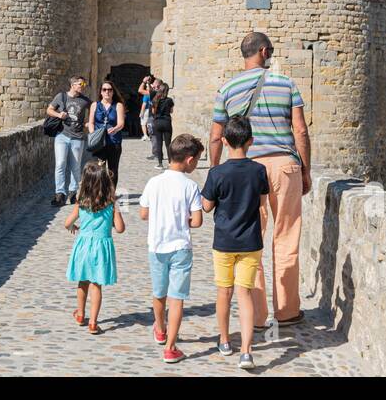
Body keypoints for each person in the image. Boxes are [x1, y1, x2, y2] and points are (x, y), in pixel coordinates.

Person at [209, 31, 312, 331]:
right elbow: (301, 131)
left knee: (249, 240)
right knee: (286, 238)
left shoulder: (226, 89)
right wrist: (305, 170)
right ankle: (287, 311)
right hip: (284, 165)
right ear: (264, 52)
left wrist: (216, 172)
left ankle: (254, 314)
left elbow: (216, 136)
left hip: (246, 169)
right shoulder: (286, 83)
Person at [201, 116, 269, 371]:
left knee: (224, 292)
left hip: (224, 242)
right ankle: (246, 352)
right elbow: (262, 204)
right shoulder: (259, 171)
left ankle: (225, 340)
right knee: (245, 294)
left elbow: (206, 207)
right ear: (251, 141)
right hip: (251, 241)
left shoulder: (217, 173)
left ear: (225, 141)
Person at [139, 134, 204, 363]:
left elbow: (144, 213)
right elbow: (196, 221)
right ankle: (171, 347)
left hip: (156, 245)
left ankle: (160, 328)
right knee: (177, 298)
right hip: (180, 247)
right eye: (197, 160)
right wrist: (181, 220)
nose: (196, 165)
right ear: (188, 159)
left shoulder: (153, 182)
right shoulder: (191, 186)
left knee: (159, 293)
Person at [64, 160, 126, 336]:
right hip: (101, 248)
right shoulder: (110, 204)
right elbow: (120, 229)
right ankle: (93, 322)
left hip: (83, 245)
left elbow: (67, 223)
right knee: (96, 284)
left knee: (82, 281)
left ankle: (80, 314)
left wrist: (73, 228)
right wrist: (116, 208)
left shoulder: (81, 203)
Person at [47, 76, 91, 207]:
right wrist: (59, 115)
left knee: (75, 166)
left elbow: (95, 109)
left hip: (77, 137)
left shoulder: (85, 100)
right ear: (72, 85)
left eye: (83, 84)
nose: (82, 86)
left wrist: (90, 122)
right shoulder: (61, 96)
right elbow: (49, 110)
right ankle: (59, 194)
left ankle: (73, 193)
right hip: (62, 135)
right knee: (60, 164)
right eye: (80, 84)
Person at [87, 79, 126, 186]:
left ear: (113, 92)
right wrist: (93, 134)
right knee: (98, 170)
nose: (107, 92)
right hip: (99, 144)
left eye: (109, 90)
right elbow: (91, 122)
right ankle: (100, 195)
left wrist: (115, 129)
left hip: (114, 142)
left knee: (113, 170)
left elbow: (121, 123)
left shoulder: (118, 105)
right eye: (104, 89)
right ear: (101, 92)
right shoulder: (95, 105)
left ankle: (111, 196)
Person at [147, 80, 174, 170]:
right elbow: (171, 111)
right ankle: (170, 163)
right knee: (168, 144)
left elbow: (153, 112)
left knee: (159, 143)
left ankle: (160, 163)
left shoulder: (155, 100)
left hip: (157, 122)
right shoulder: (170, 100)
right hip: (166, 122)